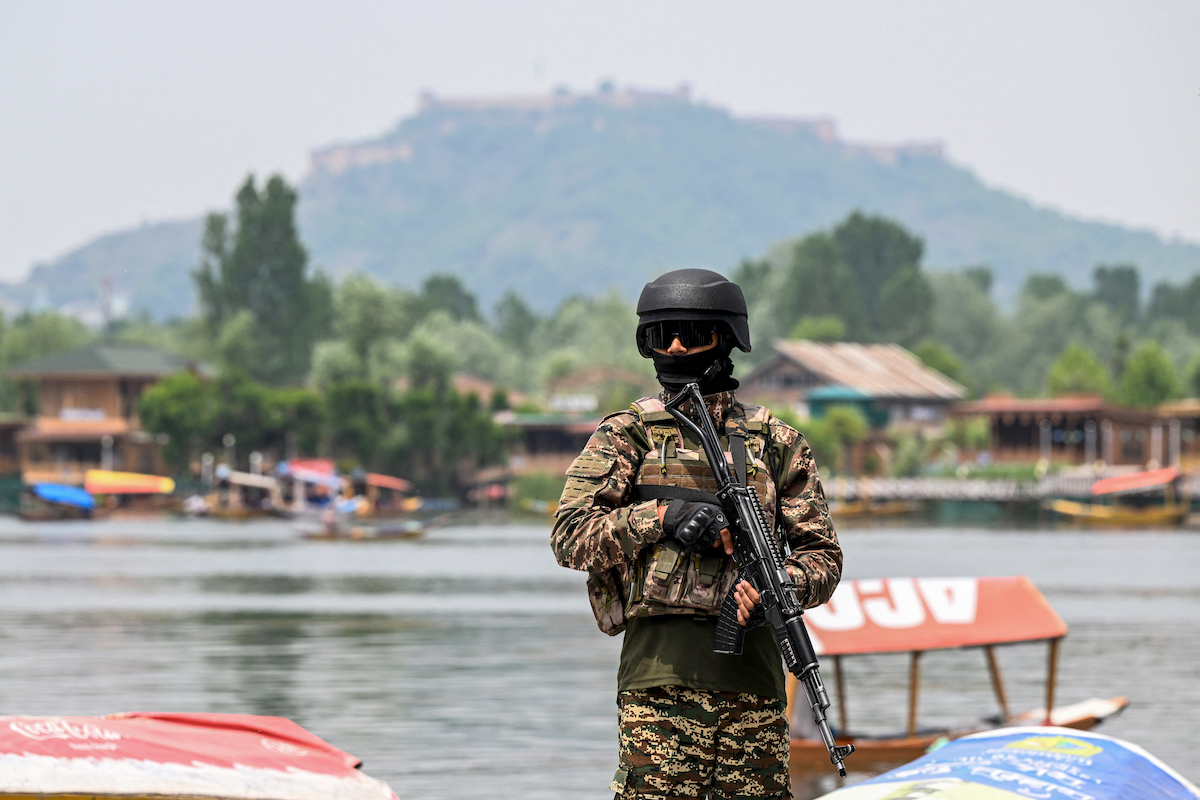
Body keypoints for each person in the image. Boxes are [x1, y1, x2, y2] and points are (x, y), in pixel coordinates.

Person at [551, 268, 843, 799]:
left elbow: (823, 559)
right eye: (665, 335)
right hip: (657, 687)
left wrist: (779, 581)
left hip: (752, 690)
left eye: (692, 332)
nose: (679, 346)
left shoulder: (776, 443)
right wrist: (661, 518)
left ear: (727, 339)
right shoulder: (628, 436)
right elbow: (571, 536)